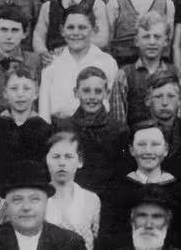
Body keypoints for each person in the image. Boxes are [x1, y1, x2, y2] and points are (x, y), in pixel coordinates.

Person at [99, 120, 181, 250]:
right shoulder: (117, 190)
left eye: (155, 144)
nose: (148, 151)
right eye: (141, 144)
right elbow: (109, 239)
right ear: (131, 149)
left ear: (166, 149)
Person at [51, 76, 130, 205]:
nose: (92, 97)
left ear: (107, 93)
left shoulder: (119, 129)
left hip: (109, 201)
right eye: (86, 91)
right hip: (72, 199)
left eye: (98, 91)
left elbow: (122, 172)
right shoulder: (64, 127)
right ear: (76, 92)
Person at [39, 6, 122, 123]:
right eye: (70, 27)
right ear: (62, 30)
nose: (76, 33)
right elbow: (44, 109)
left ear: (94, 30)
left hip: (97, 127)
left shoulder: (107, 62)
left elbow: (113, 104)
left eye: (82, 27)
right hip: (59, 128)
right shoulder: (52, 62)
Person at [0, 65, 54, 194]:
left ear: (36, 93)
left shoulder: (46, 130)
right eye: (14, 88)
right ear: (5, 93)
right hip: (0, 193)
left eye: (26, 88)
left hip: (33, 193)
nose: (20, 94)